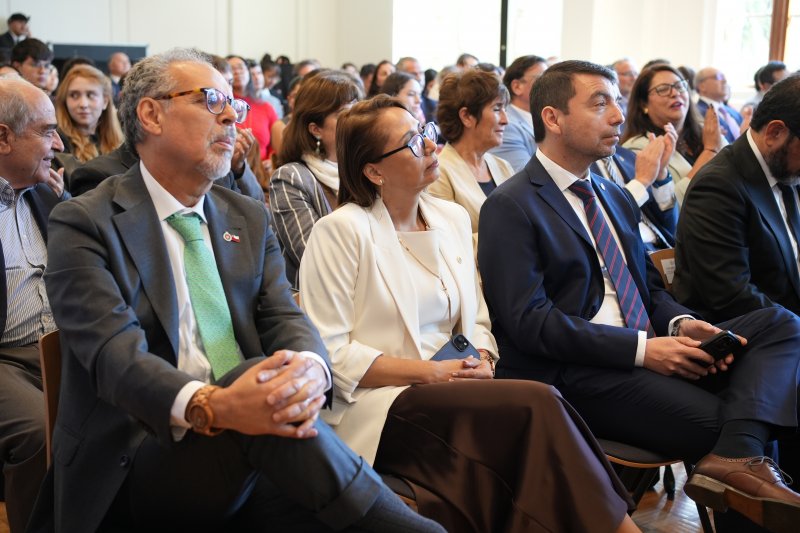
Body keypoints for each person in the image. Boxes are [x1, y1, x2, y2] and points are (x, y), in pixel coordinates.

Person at [28, 48, 442, 533]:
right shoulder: (85, 222)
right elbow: (115, 358)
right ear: (152, 115)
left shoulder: (245, 215)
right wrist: (219, 405)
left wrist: (311, 370)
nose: (231, 116)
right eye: (211, 100)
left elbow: (285, 316)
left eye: (235, 105)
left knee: (301, 446)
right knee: (259, 393)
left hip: (254, 448)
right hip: (138, 458)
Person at [478, 60, 800, 533]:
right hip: (577, 371)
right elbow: (529, 322)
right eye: (599, 104)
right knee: (736, 418)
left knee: (783, 326)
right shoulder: (511, 204)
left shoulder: (611, 194)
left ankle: (737, 458)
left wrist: (681, 324)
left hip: (648, 347)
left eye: (616, 102)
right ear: (553, 118)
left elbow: (647, 288)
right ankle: (738, 457)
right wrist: (644, 350)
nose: (616, 116)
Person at [299, 95, 639, 533]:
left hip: (455, 387)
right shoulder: (341, 231)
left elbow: (477, 315)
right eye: (412, 142)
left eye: (425, 131)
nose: (431, 145)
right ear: (374, 171)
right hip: (383, 402)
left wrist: (484, 358)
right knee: (537, 403)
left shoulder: (451, 217)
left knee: (523, 455)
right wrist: (431, 373)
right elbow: (330, 353)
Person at [673, 74, 800, 499]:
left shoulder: (787, 177)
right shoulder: (721, 184)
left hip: (781, 334)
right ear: (776, 132)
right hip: (729, 342)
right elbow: (729, 295)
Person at [0, 77, 65, 533]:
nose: (58, 145)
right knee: (40, 433)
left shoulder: (46, 195)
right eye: (46, 132)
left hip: (61, 347)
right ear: (3, 138)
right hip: (4, 357)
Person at [269, 70, 361, 287]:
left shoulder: (366, 170)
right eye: (344, 114)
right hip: (322, 297)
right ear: (316, 129)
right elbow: (315, 258)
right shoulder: (291, 178)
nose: (356, 121)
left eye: (357, 110)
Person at [427, 69, 514, 253]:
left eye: (505, 109)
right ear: (466, 116)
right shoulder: (438, 173)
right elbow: (449, 245)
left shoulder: (502, 166)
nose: (505, 120)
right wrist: (517, 234)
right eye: (497, 109)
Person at [622, 63, 723, 206]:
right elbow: (667, 207)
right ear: (644, 104)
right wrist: (710, 152)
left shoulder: (706, 131)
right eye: (663, 89)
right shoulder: (638, 148)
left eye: (680, 86)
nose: (675, 93)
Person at [54, 64, 124, 164]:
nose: (83, 104)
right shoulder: (57, 143)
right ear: (65, 100)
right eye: (74, 95)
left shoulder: (121, 141)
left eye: (91, 95)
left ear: (105, 101)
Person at [489, 54, 547, 171]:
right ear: (517, 86)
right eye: (542, 79)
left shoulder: (545, 118)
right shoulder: (506, 125)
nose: (551, 86)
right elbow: (527, 174)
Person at [227, 55, 279, 164]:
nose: (237, 72)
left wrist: (272, 161)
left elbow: (275, 146)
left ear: (248, 72)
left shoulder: (266, 107)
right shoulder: (222, 106)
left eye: (240, 67)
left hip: (262, 169)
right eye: (232, 68)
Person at [695, 67, 744, 144]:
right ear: (702, 86)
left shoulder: (734, 113)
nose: (724, 81)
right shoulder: (696, 113)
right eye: (718, 77)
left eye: (724, 78)